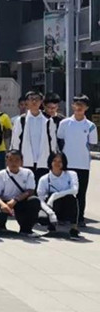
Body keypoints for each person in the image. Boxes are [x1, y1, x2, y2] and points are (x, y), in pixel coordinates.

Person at [57, 95, 97, 226]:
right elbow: (60, 140)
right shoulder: (64, 123)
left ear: (87, 108)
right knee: (64, 190)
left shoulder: (90, 126)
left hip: (83, 164)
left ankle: (79, 218)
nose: (79, 107)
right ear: (73, 106)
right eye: (77, 104)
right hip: (67, 163)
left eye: (82, 105)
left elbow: (92, 143)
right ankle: (63, 217)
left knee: (80, 192)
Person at [0, 150, 40, 236]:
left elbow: (30, 190)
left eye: (17, 160)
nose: (13, 163)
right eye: (10, 160)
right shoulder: (0, 175)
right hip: (5, 201)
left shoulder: (28, 173)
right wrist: (2, 204)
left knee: (34, 200)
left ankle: (26, 229)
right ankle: (1, 227)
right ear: (6, 161)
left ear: (22, 162)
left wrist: (15, 200)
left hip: (20, 200)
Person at [10, 90, 57, 179]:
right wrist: (15, 159)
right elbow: (15, 141)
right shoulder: (21, 120)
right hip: (25, 161)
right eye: (31, 99)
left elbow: (53, 142)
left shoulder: (48, 120)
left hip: (44, 161)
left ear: (41, 102)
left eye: (37, 99)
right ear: (27, 102)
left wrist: (53, 158)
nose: (34, 101)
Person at [36, 151, 80, 238]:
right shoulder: (44, 179)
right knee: (42, 216)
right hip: (52, 207)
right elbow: (40, 198)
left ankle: (74, 228)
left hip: (67, 206)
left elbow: (75, 190)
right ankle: (51, 226)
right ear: (50, 162)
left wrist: (55, 196)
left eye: (60, 161)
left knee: (71, 198)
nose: (57, 163)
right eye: (54, 161)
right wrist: (50, 212)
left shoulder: (71, 174)